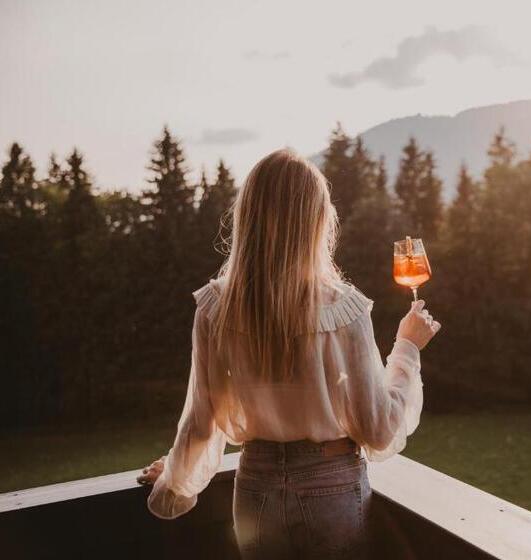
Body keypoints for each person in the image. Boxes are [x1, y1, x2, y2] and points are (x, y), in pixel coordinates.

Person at [136, 148, 441, 559]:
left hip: (255, 489)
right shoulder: (344, 309)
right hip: (331, 487)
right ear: (317, 221)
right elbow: (380, 428)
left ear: (249, 217)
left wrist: (174, 482)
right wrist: (407, 347)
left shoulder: (216, 306)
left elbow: (202, 421)